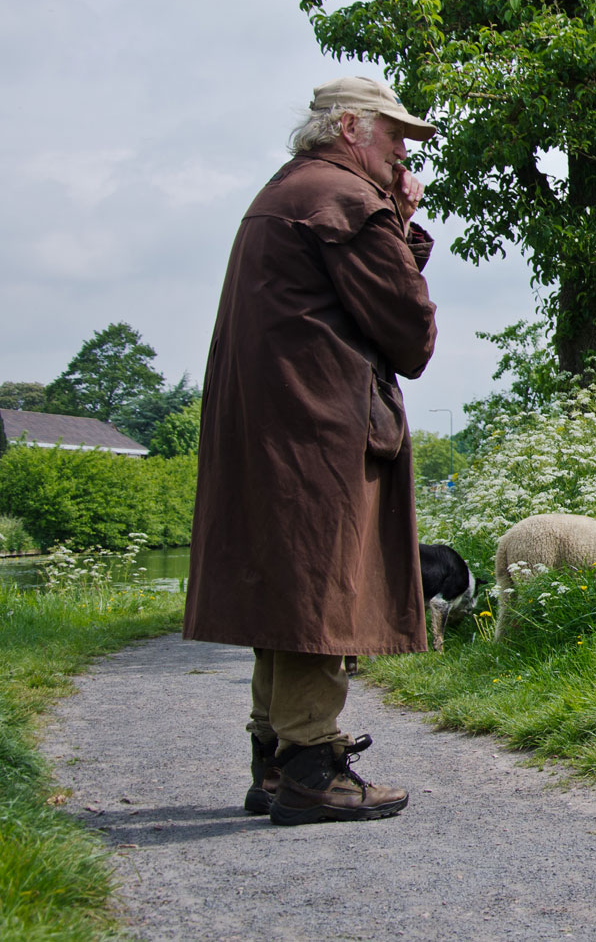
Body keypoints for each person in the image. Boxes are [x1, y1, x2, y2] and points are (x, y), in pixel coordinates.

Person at [184, 75, 439, 825]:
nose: (404, 155)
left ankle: (274, 757)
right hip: (318, 426)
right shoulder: (349, 203)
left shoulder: (284, 191)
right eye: (397, 137)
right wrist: (399, 219)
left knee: (286, 585)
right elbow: (409, 333)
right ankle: (310, 766)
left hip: (267, 423)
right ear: (351, 128)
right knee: (317, 592)